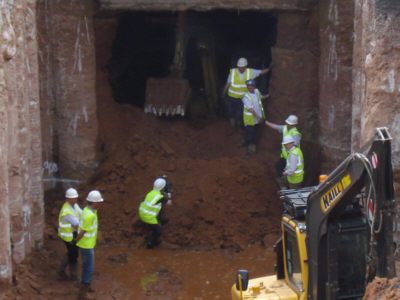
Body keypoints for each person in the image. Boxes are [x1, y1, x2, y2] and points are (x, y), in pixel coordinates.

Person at [222, 57, 271, 134]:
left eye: (243, 67)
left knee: (240, 114)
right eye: (240, 67)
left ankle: (241, 127)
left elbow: (261, 72)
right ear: (238, 66)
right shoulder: (233, 72)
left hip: (242, 99)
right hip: (231, 98)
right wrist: (223, 93)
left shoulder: (250, 72)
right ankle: (233, 128)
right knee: (231, 113)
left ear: (245, 66)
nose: (241, 69)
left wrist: (269, 68)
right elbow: (228, 83)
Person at [76, 190, 104, 299]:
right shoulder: (90, 216)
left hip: (86, 244)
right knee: (89, 268)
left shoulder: (88, 210)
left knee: (86, 266)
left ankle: (86, 287)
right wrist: (75, 242)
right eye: (99, 202)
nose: (100, 204)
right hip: (86, 246)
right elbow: (82, 232)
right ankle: (83, 294)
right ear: (95, 203)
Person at [138, 178, 172, 249]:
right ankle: (150, 243)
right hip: (148, 217)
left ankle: (161, 219)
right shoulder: (159, 197)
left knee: (160, 205)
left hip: (142, 211)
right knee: (158, 231)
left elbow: (160, 198)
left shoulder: (152, 193)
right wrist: (169, 193)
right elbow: (169, 203)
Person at [57, 187, 82, 281]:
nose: (75, 200)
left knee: (73, 252)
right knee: (73, 255)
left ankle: (62, 269)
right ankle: (73, 275)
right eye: (73, 198)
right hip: (68, 236)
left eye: (75, 198)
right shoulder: (67, 211)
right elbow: (76, 224)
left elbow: (81, 213)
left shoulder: (74, 206)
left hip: (72, 234)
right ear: (68, 199)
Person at [241, 79, 270, 155]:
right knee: (250, 134)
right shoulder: (245, 96)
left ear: (254, 86)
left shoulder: (256, 91)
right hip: (251, 119)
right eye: (249, 86)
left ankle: (252, 147)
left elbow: (261, 97)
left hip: (258, 119)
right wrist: (258, 118)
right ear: (247, 87)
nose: (250, 88)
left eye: (252, 86)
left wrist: (268, 96)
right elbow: (251, 109)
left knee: (256, 134)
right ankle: (249, 148)